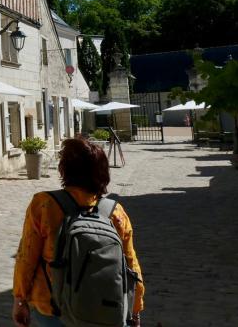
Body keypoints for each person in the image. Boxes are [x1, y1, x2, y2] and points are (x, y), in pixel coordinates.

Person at [12, 138, 144, 326]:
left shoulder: (44, 205)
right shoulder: (116, 212)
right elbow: (131, 265)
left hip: (52, 306)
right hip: (105, 310)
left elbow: (27, 257)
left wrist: (19, 298)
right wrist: (136, 308)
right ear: (102, 172)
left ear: (64, 168)